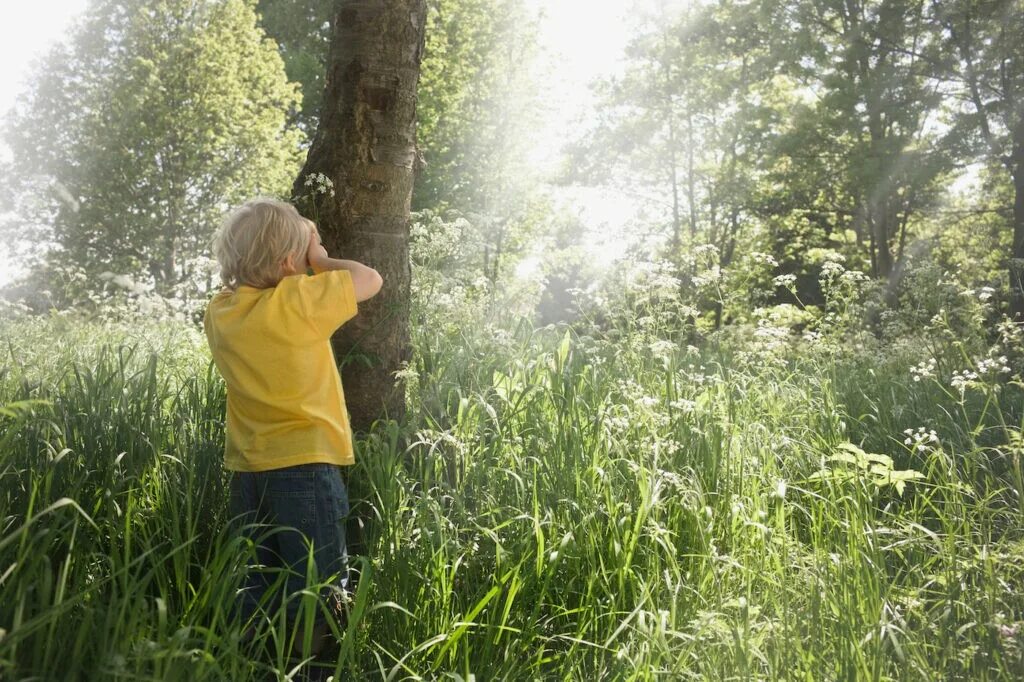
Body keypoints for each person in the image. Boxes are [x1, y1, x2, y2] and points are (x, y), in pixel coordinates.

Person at [203, 197, 383, 657]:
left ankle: (253, 662)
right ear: (290, 263)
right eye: (305, 254)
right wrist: (320, 259)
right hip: (307, 464)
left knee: (257, 580)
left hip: (248, 470)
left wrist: (296, 245)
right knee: (319, 584)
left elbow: (252, 280)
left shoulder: (220, 313)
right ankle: (315, 670)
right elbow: (370, 280)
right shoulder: (298, 301)